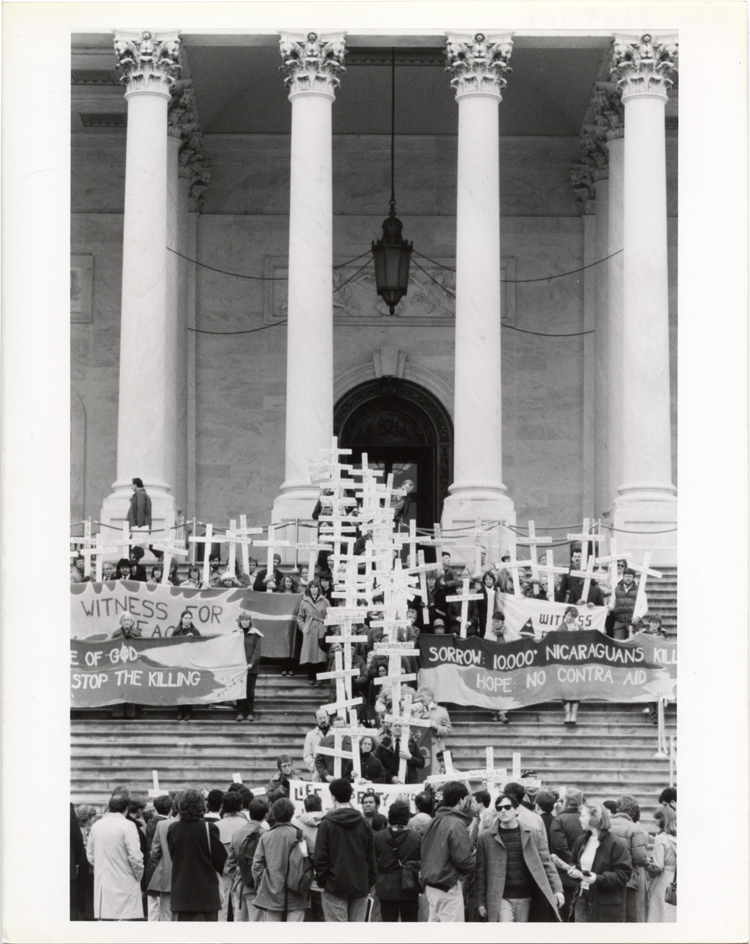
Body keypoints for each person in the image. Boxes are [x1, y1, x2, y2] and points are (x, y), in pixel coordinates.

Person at [475, 793, 564, 923]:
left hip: (527, 895)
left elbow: (547, 863)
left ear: (517, 810)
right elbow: (480, 873)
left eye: (507, 807)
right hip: (501, 896)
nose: (503, 810)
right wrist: (480, 900)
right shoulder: (485, 838)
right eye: (499, 808)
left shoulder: (533, 833)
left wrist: (557, 890)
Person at [314, 778, 376, 922]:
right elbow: (371, 857)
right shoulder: (364, 823)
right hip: (360, 885)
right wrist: (368, 882)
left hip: (334, 887)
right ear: (350, 796)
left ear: (333, 797)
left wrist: (322, 882)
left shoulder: (326, 824)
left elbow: (321, 857)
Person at [167, 788, 227, 922]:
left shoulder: (173, 828)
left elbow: (173, 856)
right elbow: (220, 860)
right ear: (202, 806)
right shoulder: (209, 828)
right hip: (205, 893)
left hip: (181, 893)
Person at [420, 780, 474, 922]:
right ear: (461, 800)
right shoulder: (456, 823)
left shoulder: (433, 820)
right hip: (447, 886)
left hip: (431, 885)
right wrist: (475, 865)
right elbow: (463, 859)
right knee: (453, 933)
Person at [568, 801, 632, 923]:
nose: (579, 819)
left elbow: (624, 875)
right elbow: (574, 862)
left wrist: (598, 878)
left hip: (605, 907)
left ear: (594, 818)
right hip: (582, 898)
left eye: (583, 815)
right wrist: (574, 871)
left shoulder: (616, 843)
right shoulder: (580, 841)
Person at [250, 797, 311, 921]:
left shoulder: (266, 837)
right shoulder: (301, 835)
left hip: (271, 893)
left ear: (273, 814)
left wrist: (261, 884)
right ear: (292, 814)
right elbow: (314, 858)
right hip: (297, 894)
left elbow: (257, 865)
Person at [86, 793, 145, 920]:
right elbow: (136, 857)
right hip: (125, 881)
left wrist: (101, 867)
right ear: (126, 809)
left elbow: (90, 855)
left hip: (104, 882)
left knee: (105, 922)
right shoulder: (128, 825)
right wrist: (138, 876)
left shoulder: (96, 825)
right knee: (123, 921)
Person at [372, 799, 421, 922]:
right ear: (407, 818)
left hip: (386, 888)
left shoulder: (377, 837)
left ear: (389, 817)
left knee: (389, 926)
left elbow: (372, 862)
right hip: (409, 887)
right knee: (410, 926)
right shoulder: (416, 837)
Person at [226, 796, 269, 921]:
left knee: (240, 923)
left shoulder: (236, 833)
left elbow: (230, 863)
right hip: (256, 887)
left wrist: (235, 880)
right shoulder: (265, 834)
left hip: (239, 885)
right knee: (256, 924)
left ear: (249, 812)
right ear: (266, 814)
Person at [608, 795, 650, 922]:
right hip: (628, 879)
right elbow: (640, 858)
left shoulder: (605, 825)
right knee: (629, 917)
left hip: (606, 876)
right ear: (633, 811)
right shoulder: (635, 829)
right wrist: (647, 862)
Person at [217, 791, 250, 921]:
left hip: (223, 873)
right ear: (241, 805)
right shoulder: (247, 825)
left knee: (222, 911)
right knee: (241, 914)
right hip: (243, 875)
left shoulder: (217, 826)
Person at [293, 794, 326, 921]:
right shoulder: (328, 822)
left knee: (306, 917)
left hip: (303, 876)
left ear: (305, 807)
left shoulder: (296, 823)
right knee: (322, 916)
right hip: (323, 876)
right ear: (320, 805)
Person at [146, 795, 176, 921]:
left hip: (155, 869)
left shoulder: (151, 821)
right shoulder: (165, 823)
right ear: (170, 810)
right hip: (165, 869)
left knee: (155, 909)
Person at [646, 806, 676, 923]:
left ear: (662, 820)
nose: (655, 822)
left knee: (659, 914)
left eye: (657, 819)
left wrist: (648, 866)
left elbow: (658, 866)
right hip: (675, 877)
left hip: (663, 880)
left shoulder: (661, 838)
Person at [414, 686, 452, 773]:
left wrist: (436, 727)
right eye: (419, 697)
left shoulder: (442, 711)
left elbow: (448, 730)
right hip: (421, 747)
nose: (420, 699)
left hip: (435, 747)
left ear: (430, 697)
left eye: (422, 696)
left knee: (435, 772)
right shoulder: (417, 712)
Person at [297, 580, 329, 684]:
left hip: (321, 630)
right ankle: (311, 677)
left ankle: (320, 678)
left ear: (318, 589)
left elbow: (330, 615)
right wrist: (303, 627)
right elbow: (300, 617)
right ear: (309, 589)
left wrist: (325, 626)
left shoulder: (325, 601)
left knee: (321, 654)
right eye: (311, 587)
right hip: (309, 630)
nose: (313, 589)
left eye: (315, 587)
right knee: (309, 654)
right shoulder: (304, 601)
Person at [172, 611, 201, 721]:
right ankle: (180, 711)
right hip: (179, 663)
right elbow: (170, 645)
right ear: (182, 619)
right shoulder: (176, 631)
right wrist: (183, 638)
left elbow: (201, 646)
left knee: (189, 688)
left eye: (189, 618)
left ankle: (188, 712)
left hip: (190, 663)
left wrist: (193, 640)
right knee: (179, 688)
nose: (188, 620)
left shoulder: (195, 631)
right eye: (186, 618)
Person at [235, 613, 262, 722]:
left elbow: (257, 650)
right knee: (239, 691)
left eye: (246, 620)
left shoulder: (255, 634)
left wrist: (251, 663)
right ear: (240, 621)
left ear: (250, 621)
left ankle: (250, 713)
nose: (245, 622)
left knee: (250, 691)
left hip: (251, 668)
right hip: (239, 669)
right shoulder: (236, 634)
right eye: (243, 620)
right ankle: (240, 712)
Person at [558, 606, 581, 724]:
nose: (569, 618)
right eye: (568, 615)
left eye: (572, 616)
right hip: (564, 662)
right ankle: (567, 714)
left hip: (577, 662)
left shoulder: (580, 628)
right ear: (565, 615)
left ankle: (574, 714)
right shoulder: (561, 628)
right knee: (565, 688)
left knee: (576, 688)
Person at [315, 716, 351, 783]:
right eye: (337, 728)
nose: (339, 730)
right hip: (329, 780)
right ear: (332, 728)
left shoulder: (353, 742)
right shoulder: (324, 741)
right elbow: (318, 761)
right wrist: (326, 775)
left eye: (341, 727)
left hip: (348, 781)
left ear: (345, 727)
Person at [610, 567, 644, 640]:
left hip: (632, 622)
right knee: (617, 642)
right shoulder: (616, 589)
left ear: (633, 578)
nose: (628, 578)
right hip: (619, 621)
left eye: (630, 576)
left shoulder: (639, 590)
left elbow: (644, 606)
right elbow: (612, 603)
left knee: (632, 643)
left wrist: (638, 616)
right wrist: (608, 607)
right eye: (626, 576)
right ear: (623, 577)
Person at [71, 802, 91, 920]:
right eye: (92, 817)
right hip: (82, 864)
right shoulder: (79, 830)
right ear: (87, 818)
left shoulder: (89, 829)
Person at [303, 709, 332, 780]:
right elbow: (307, 755)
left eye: (324, 717)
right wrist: (317, 767)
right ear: (316, 720)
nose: (323, 720)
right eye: (320, 718)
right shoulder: (310, 735)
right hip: (318, 773)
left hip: (333, 771)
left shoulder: (335, 732)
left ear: (328, 718)